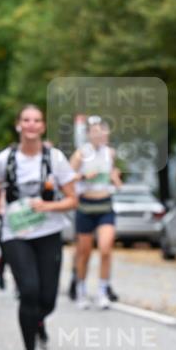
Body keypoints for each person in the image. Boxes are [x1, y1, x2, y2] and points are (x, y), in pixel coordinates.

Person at [0, 105, 78, 350]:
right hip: (16, 234)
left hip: (48, 232)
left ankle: (39, 321)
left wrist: (47, 207)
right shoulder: (5, 159)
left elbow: (73, 199)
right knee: (28, 290)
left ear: (42, 127)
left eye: (36, 120)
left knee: (47, 299)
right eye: (26, 120)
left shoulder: (55, 159)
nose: (31, 125)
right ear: (18, 125)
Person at [70, 116, 123, 309]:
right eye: (95, 131)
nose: (100, 134)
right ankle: (81, 290)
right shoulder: (81, 154)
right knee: (84, 253)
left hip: (105, 205)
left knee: (106, 249)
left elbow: (116, 182)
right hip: (85, 206)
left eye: (103, 130)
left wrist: (115, 179)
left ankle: (102, 291)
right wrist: (84, 175)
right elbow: (67, 178)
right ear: (88, 134)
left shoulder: (110, 153)